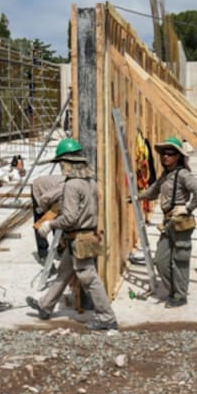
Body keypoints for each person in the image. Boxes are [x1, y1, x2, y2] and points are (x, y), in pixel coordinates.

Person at [26, 138, 118, 330]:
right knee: (64, 272)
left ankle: (107, 317)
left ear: (67, 162)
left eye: (62, 163)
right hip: (85, 235)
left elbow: (69, 218)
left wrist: (50, 224)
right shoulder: (90, 181)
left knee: (89, 277)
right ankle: (46, 306)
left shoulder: (72, 185)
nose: (61, 167)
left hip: (79, 238)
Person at [137, 136, 197, 308]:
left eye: (170, 153)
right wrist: (136, 196)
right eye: (163, 154)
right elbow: (153, 191)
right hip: (168, 222)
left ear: (178, 156)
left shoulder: (183, 174)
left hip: (181, 222)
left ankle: (180, 296)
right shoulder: (166, 176)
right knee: (161, 260)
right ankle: (174, 290)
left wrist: (188, 208)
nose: (165, 157)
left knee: (180, 260)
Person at [30, 174, 66, 264]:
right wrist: (47, 212)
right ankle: (43, 253)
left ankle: (61, 248)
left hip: (52, 192)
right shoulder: (63, 189)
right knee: (41, 221)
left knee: (59, 218)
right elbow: (44, 199)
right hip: (40, 190)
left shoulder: (75, 188)